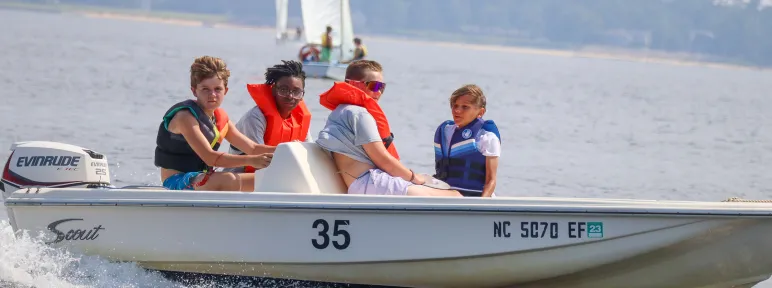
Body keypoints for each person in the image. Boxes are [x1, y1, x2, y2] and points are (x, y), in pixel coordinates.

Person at [315, 60, 462, 197]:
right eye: (374, 86)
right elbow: (383, 159)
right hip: (370, 183)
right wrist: (414, 177)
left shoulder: (340, 111)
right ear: (353, 84)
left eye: (382, 87)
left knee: (439, 187)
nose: (378, 92)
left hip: (365, 183)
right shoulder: (358, 114)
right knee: (454, 195)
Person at [154, 56, 274, 192]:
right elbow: (210, 158)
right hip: (177, 182)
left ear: (225, 91)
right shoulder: (184, 118)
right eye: (205, 89)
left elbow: (253, 148)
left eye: (217, 89)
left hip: (203, 180)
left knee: (273, 180)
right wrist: (251, 161)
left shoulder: (221, 119)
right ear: (194, 90)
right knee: (229, 179)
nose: (212, 95)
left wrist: (291, 148)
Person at [225, 60, 312, 173]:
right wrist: (294, 150)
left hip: (279, 175)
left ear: (302, 95)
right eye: (284, 90)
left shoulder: (300, 120)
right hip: (241, 177)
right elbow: (259, 159)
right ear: (274, 90)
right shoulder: (255, 118)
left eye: (296, 91)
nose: (290, 96)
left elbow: (309, 152)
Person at [433, 84, 500, 197]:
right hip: (445, 193)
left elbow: (491, 181)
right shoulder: (445, 131)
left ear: (481, 112)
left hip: (473, 196)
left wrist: (480, 207)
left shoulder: (487, 137)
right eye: (455, 106)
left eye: (465, 107)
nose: (457, 111)